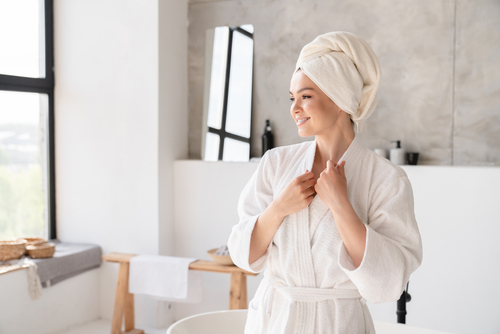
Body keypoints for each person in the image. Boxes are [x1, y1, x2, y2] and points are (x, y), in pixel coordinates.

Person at [227, 31, 423, 334]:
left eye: (306, 97)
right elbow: (242, 254)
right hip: (274, 319)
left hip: (339, 324)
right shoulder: (276, 164)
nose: (294, 108)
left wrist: (342, 206)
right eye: (292, 98)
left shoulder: (386, 179)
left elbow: (387, 285)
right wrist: (278, 209)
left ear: (342, 99)